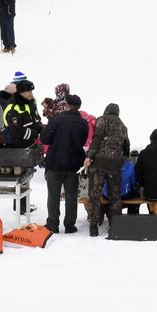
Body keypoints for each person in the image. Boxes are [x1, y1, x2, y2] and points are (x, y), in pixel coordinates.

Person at [40, 93, 89, 235]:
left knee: (53, 195)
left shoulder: (56, 120)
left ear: (66, 105)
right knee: (71, 196)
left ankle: (53, 224)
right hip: (73, 164)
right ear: (79, 107)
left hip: (54, 163)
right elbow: (82, 140)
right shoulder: (83, 123)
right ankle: (69, 225)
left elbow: (44, 139)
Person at [84, 103, 130, 236]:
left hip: (99, 164)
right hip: (115, 165)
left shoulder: (102, 120)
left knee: (95, 195)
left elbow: (97, 139)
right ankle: (115, 225)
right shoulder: (123, 126)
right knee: (115, 196)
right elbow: (126, 147)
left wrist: (89, 156)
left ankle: (94, 227)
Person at [2, 79, 41, 147]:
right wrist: (35, 134)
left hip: (32, 145)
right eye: (28, 91)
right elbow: (17, 131)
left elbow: (37, 120)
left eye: (31, 91)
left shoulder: (31, 103)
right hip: (18, 150)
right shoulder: (12, 108)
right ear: (21, 92)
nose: (31, 94)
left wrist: (42, 130)